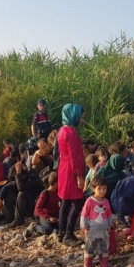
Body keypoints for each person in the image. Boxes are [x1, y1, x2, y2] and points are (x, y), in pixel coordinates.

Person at [56, 103, 87, 247]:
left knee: (65, 202)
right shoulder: (71, 134)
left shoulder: (62, 131)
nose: (82, 120)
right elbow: (74, 158)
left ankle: (61, 233)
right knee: (77, 202)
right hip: (71, 171)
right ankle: (68, 234)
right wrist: (79, 176)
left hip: (64, 169)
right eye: (81, 117)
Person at [81, 176, 115, 267]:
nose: (102, 191)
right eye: (99, 188)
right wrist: (84, 227)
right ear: (93, 189)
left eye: (104, 188)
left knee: (104, 248)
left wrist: (109, 226)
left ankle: (104, 266)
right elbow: (84, 215)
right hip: (92, 230)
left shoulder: (106, 202)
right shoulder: (90, 201)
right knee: (89, 249)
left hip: (104, 231)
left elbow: (109, 215)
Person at [0, 161, 44, 229]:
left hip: (35, 203)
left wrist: (18, 172)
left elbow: (21, 188)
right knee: (9, 191)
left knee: (21, 194)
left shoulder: (32, 175)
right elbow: (6, 186)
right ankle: (9, 217)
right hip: (26, 203)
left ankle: (18, 220)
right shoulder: (21, 179)